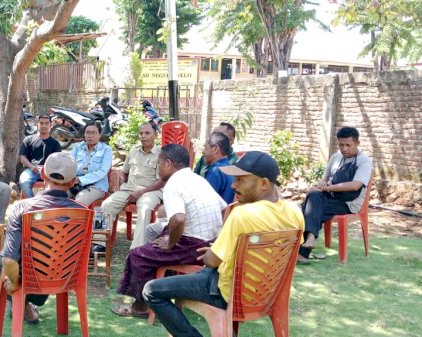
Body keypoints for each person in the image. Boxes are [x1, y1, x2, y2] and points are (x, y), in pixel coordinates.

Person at [143, 151, 305, 337]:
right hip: (268, 293)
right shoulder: (295, 212)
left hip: (229, 292)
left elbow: (211, 261)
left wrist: (212, 253)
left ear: (264, 184)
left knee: (151, 290)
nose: (234, 185)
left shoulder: (242, 214)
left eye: (241, 180)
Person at [112, 144, 226, 318]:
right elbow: (224, 209)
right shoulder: (198, 179)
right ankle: (161, 293)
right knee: (155, 235)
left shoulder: (173, 184)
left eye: (159, 163)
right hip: (210, 243)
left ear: (168, 163)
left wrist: (170, 244)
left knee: (138, 256)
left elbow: (178, 219)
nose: (157, 168)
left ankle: (141, 306)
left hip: (193, 245)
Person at [0, 152, 87, 324]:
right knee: (49, 258)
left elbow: (9, 261)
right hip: (67, 275)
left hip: (31, 277)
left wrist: (14, 283)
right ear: (73, 181)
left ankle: (23, 304)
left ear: (43, 174)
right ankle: (30, 303)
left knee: (1, 260)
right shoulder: (83, 212)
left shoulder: (22, 208)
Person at [298, 126, 372, 263]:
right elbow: (324, 179)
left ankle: (302, 251)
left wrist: (327, 188)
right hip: (329, 197)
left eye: (348, 145)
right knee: (313, 196)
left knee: (308, 209)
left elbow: (355, 185)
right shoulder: (335, 157)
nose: (344, 148)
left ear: (357, 143)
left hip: (348, 203)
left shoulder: (364, 161)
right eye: (341, 144)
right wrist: (320, 186)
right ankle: (310, 239)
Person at [100, 123, 164, 251]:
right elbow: (125, 171)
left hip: (151, 190)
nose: (143, 136)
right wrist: (125, 183)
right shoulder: (133, 150)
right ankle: (100, 244)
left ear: (155, 135)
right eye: (141, 133)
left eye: (147, 133)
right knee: (106, 205)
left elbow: (162, 180)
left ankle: (136, 249)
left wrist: (141, 192)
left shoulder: (161, 154)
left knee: (145, 209)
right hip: (130, 189)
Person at [69, 122, 113, 206]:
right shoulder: (78, 148)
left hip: (96, 186)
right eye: (87, 132)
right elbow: (69, 165)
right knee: (58, 196)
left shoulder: (106, 149)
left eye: (94, 133)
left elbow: (103, 171)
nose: (90, 135)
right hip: (74, 183)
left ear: (100, 135)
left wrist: (80, 179)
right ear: (84, 134)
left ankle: (78, 219)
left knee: (80, 201)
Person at [18, 115, 62, 198]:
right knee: (23, 182)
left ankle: (49, 207)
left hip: (49, 172)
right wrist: (32, 167)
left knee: (58, 186)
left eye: (46, 123)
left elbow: (58, 161)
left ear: (50, 125)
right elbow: (22, 158)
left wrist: (46, 169)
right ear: (37, 125)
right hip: (32, 170)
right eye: (41, 123)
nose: (44, 126)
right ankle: (33, 204)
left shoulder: (55, 143)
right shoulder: (28, 140)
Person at [201, 131, 236, 203]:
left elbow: (206, 203)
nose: (203, 152)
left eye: (205, 147)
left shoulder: (215, 172)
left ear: (215, 149)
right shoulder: (230, 168)